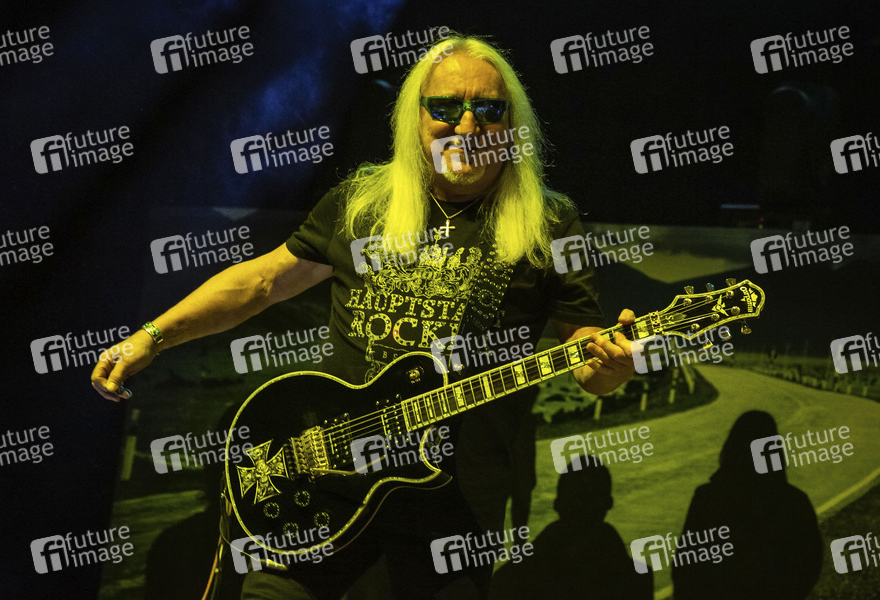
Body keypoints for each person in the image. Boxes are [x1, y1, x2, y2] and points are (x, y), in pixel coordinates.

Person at [92, 35, 637, 599]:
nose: (467, 125)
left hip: (450, 516)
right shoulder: (362, 202)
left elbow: (584, 352)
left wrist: (611, 366)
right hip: (322, 489)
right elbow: (262, 281)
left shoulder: (550, 222)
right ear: (415, 117)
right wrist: (153, 336)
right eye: (446, 107)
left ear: (511, 122)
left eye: (489, 109)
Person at [672, 410, 823, 599]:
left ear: (731, 448)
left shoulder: (707, 497)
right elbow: (809, 564)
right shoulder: (794, 502)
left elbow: (686, 563)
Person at [489, 457, 652, 600]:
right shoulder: (634, 577)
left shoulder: (523, 573)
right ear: (608, 504)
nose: (581, 506)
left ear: (557, 504)